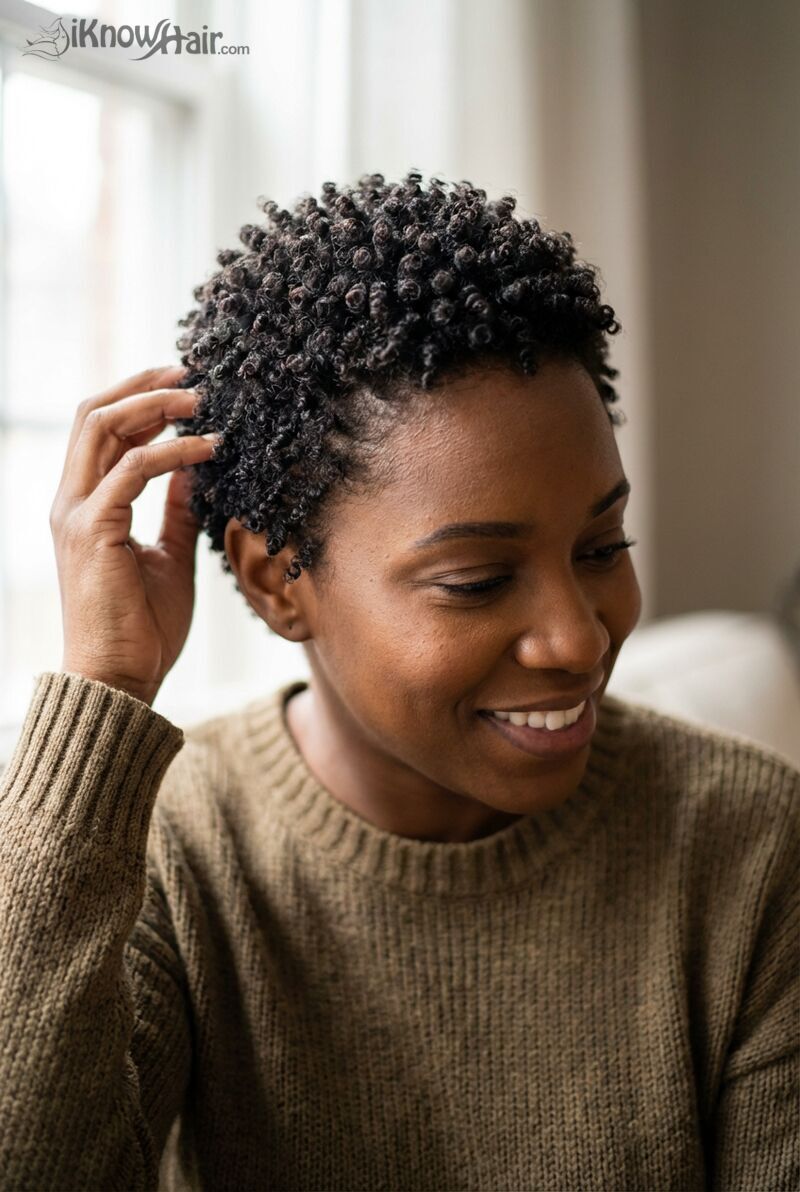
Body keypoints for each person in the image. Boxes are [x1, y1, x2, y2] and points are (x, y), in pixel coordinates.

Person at [0, 171, 796, 1191]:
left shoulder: (751, 846)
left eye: (601, 545)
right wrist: (102, 686)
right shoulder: (171, 850)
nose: (575, 638)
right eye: (476, 579)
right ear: (274, 581)